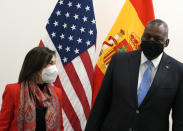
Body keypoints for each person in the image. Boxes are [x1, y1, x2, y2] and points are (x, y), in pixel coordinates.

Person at [85, 19, 183, 131]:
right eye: (147, 36)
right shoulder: (119, 61)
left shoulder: (178, 71)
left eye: (157, 39)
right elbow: (100, 105)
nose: (151, 41)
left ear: (166, 42)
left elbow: (180, 120)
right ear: (142, 36)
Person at [0, 47, 64, 131]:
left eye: (54, 63)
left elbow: (60, 126)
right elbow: (3, 126)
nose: (54, 68)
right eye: (50, 63)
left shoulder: (57, 92)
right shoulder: (13, 90)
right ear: (36, 65)